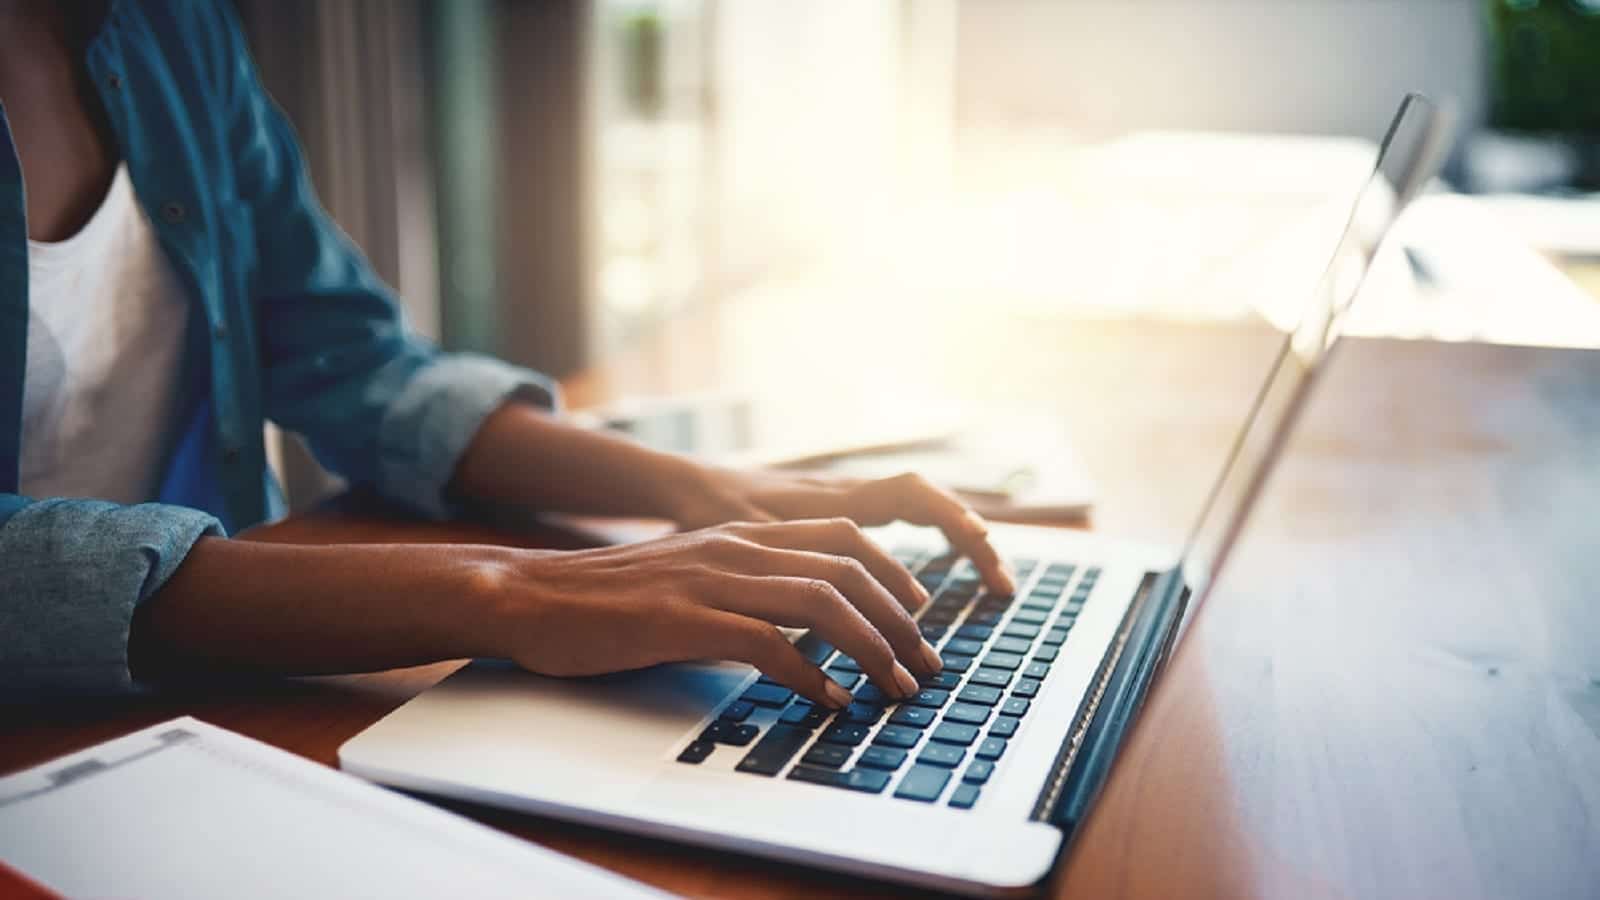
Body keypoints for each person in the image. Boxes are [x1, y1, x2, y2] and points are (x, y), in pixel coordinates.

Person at [0, 0, 1014, 708]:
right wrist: (511, 593)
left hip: (237, 681)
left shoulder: (174, 25)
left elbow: (351, 357)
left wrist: (701, 490)